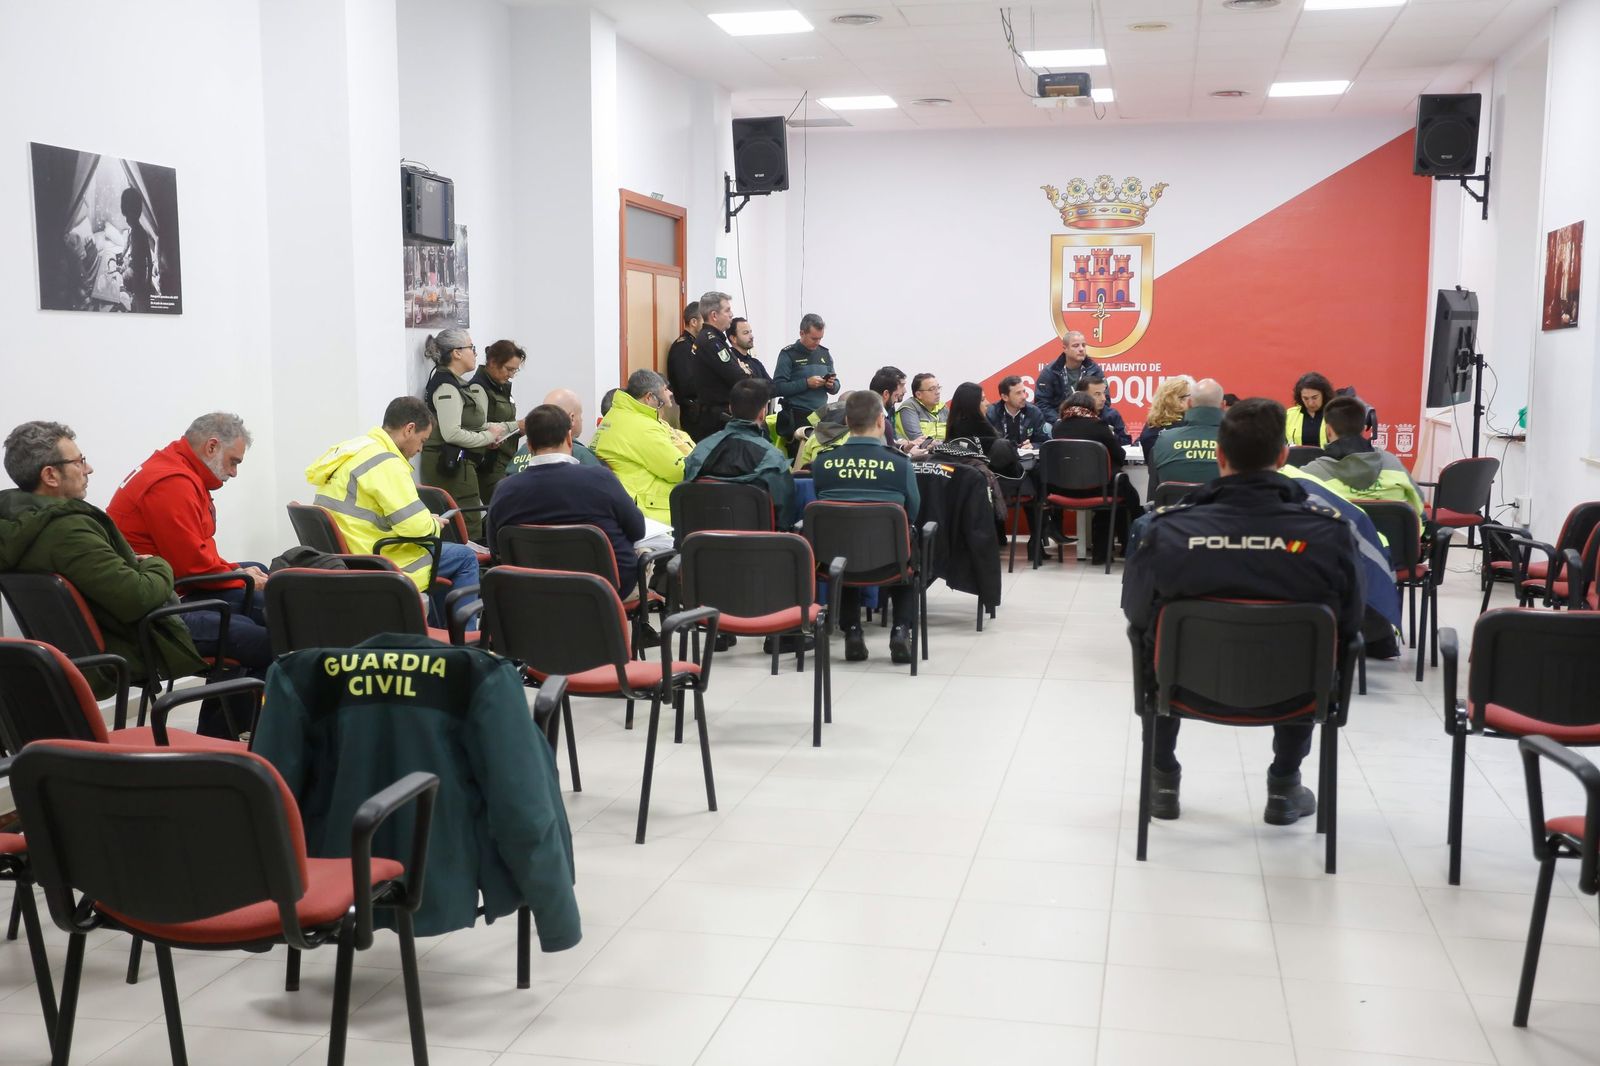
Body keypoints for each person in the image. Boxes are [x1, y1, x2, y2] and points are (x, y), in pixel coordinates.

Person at [1122, 398, 1363, 825]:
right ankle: (1285, 785)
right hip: (1296, 695)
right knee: (1312, 644)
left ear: (1219, 456)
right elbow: (1350, 624)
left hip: (1183, 689)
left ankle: (1162, 780)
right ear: (1283, 456)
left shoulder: (1169, 530)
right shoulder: (1328, 535)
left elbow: (1139, 617)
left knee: (1150, 641)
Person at [0, 420, 205, 701]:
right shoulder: (68, 531)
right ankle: (232, 738)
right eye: (79, 461)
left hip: (98, 642)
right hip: (138, 640)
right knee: (259, 637)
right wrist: (158, 563)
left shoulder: (18, 525)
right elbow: (137, 598)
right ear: (50, 475)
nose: (89, 469)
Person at [107, 413, 272, 736]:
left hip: (167, 590)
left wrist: (239, 572)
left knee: (261, 587)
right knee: (268, 629)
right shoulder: (171, 483)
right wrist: (244, 578)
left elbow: (193, 553)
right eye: (233, 461)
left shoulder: (174, 470)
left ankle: (227, 731)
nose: (234, 473)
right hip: (159, 610)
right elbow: (193, 567)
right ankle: (230, 737)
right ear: (212, 446)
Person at [305, 397, 481, 624]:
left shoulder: (355, 450)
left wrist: (424, 520)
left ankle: (436, 634)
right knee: (465, 557)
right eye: (422, 440)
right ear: (409, 429)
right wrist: (434, 523)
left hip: (348, 554)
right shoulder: (385, 463)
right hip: (377, 557)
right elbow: (416, 528)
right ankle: (464, 643)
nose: (420, 448)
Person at [487, 404, 646, 594]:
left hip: (532, 592)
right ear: (569, 438)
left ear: (529, 445)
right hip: (605, 591)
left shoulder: (505, 490)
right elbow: (637, 530)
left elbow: (496, 547)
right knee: (646, 553)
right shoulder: (601, 479)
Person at [811, 391, 920, 665]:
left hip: (836, 563)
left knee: (845, 543)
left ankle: (853, 633)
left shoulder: (823, 463)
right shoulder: (900, 463)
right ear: (882, 422)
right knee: (908, 546)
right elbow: (913, 510)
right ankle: (900, 630)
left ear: (847, 421)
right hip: (890, 563)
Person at [418, 328, 518, 539]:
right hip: (450, 467)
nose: (475, 353)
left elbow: (476, 425)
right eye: (471, 348)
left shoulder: (457, 383)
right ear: (457, 353)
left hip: (462, 465)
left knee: (469, 520)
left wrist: (509, 427)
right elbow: (452, 433)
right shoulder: (446, 386)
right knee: (467, 524)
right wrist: (488, 437)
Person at [684, 379, 795, 528]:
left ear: (730, 408)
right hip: (759, 548)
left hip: (703, 546)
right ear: (763, 412)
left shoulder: (700, 452)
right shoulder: (773, 460)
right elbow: (784, 520)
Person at [1051, 391, 1141, 564]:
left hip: (1064, 490)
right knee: (1125, 493)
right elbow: (1120, 455)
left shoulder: (1058, 427)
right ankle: (1121, 545)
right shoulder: (1098, 425)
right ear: (1090, 408)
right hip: (1098, 489)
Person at [1299, 396, 1425, 514]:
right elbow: (1419, 508)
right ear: (1363, 428)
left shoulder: (1309, 475)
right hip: (1396, 537)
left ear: (1328, 430)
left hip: (1342, 537)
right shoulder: (1394, 464)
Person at [591, 369, 685, 524]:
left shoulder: (615, 416)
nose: (670, 395)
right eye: (664, 392)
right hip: (650, 513)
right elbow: (679, 470)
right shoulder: (643, 426)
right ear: (649, 397)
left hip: (625, 503)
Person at [472, 339, 527, 504]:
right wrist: (517, 426)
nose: (511, 375)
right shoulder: (478, 388)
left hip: (508, 459)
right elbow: (478, 426)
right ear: (493, 362)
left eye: (514, 371)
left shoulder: (502, 387)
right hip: (490, 463)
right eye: (508, 369)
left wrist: (521, 430)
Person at [773, 313, 840, 446]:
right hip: (797, 416)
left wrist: (831, 385)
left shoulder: (824, 354)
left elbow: (837, 386)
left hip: (821, 416)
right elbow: (778, 387)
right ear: (802, 333)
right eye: (814, 338)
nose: (817, 342)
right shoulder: (788, 354)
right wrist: (806, 383)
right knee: (798, 460)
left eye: (820, 339)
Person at [507, 388, 603, 476]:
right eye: (580, 414)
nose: (581, 419)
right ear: (572, 418)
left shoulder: (521, 453)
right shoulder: (583, 456)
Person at [688, 290, 743, 440]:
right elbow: (737, 376)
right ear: (714, 315)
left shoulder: (710, 338)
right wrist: (743, 370)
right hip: (716, 418)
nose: (731, 314)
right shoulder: (712, 342)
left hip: (714, 414)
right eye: (727, 310)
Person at [1151, 378, 1225, 489]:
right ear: (1223, 405)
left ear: (1189, 403)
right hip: (1222, 504)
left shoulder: (1165, 439)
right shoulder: (1238, 441)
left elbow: (1154, 489)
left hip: (1175, 505)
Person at [945, 382, 1021, 478]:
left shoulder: (952, 436)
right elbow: (1014, 474)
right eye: (982, 400)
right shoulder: (995, 443)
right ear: (971, 405)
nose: (988, 403)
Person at [1035, 331, 1100, 424]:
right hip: (1057, 421)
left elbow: (1104, 400)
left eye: (1083, 345)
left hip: (1088, 421)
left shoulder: (1094, 370)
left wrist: (1088, 418)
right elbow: (1042, 404)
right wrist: (1059, 421)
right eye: (1076, 345)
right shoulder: (1050, 371)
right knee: (1046, 429)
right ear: (1065, 349)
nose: (1081, 349)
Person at [1137, 376, 1192, 466]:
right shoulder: (1187, 427)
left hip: (1158, 479)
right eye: (1190, 396)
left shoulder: (1150, 425)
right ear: (1179, 401)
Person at [665, 300, 701, 429]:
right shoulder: (683, 347)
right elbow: (687, 385)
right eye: (704, 321)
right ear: (693, 322)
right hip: (694, 411)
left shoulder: (694, 344)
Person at [986, 375, 1049, 448]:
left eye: (1024, 391)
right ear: (1005, 397)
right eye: (1018, 393)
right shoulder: (991, 413)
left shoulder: (1034, 412)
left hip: (1027, 457)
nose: (1024, 396)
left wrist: (1033, 445)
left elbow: (1044, 442)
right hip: (1001, 456)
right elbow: (987, 443)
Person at [1077, 372, 1131, 446]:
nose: (1104, 399)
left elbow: (1126, 443)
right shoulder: (1070, 416)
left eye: (1104, 393)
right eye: (1097, 394)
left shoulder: (1112, 415)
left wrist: (1110, 434)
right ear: (1082, 396)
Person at [1286, 371, 1334, 447]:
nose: (1310, 403)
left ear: (1324, 394)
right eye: (1305, 398)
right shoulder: (1289, 415)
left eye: (1315, 397)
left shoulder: (1335, 414)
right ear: (1300, 397)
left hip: (1328, 458)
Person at [896, 373, 947, 441]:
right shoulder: (909, 407)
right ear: (918, 394)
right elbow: (917, 439)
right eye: (932, 389)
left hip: (941, 449)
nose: (937, 392)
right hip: (913, 450)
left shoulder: (942, 407)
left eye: (938, 387)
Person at [728, 317, 771, 382]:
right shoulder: (730, 362)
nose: (751, 336)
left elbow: (772, 387)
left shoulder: (756, 363)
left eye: (750, 332)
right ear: (733, 338)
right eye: (746, 333)